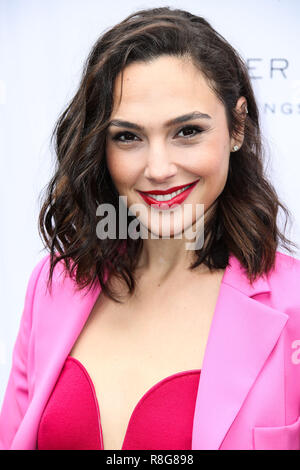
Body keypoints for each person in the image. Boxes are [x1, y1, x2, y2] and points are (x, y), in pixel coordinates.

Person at [1, 6, 300, 451]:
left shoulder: (293, 303)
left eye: (187, 131)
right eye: (128, 137)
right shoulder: (55, 285)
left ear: (236, 126)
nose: (158, 169)